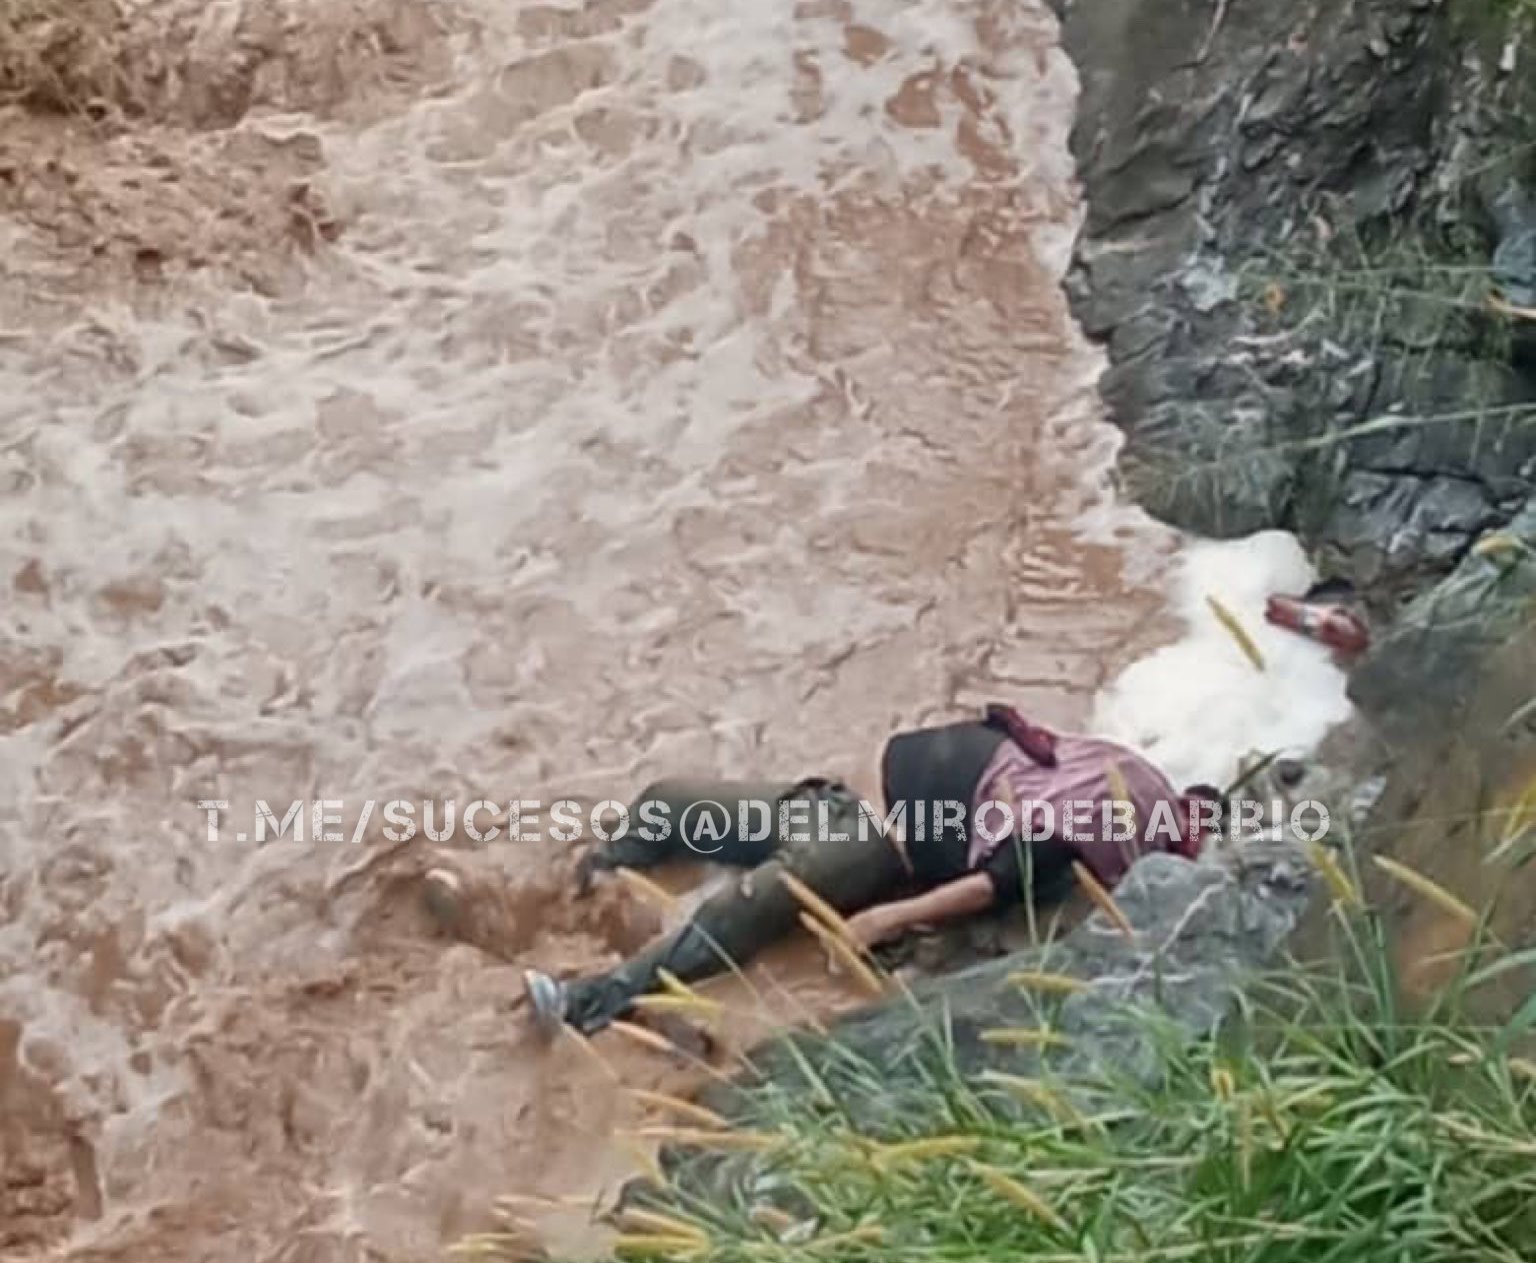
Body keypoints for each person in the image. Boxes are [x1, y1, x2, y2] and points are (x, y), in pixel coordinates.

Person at [495, 703, 1222, 1036]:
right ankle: (588, 884)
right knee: (672, 809)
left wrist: (885, 918)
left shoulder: (1097, 798)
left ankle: (594, 996)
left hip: (874, 827)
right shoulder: (1113, 793)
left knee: (742, 893)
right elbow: (1005, 865)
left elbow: (996, 878)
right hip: (852, 812)